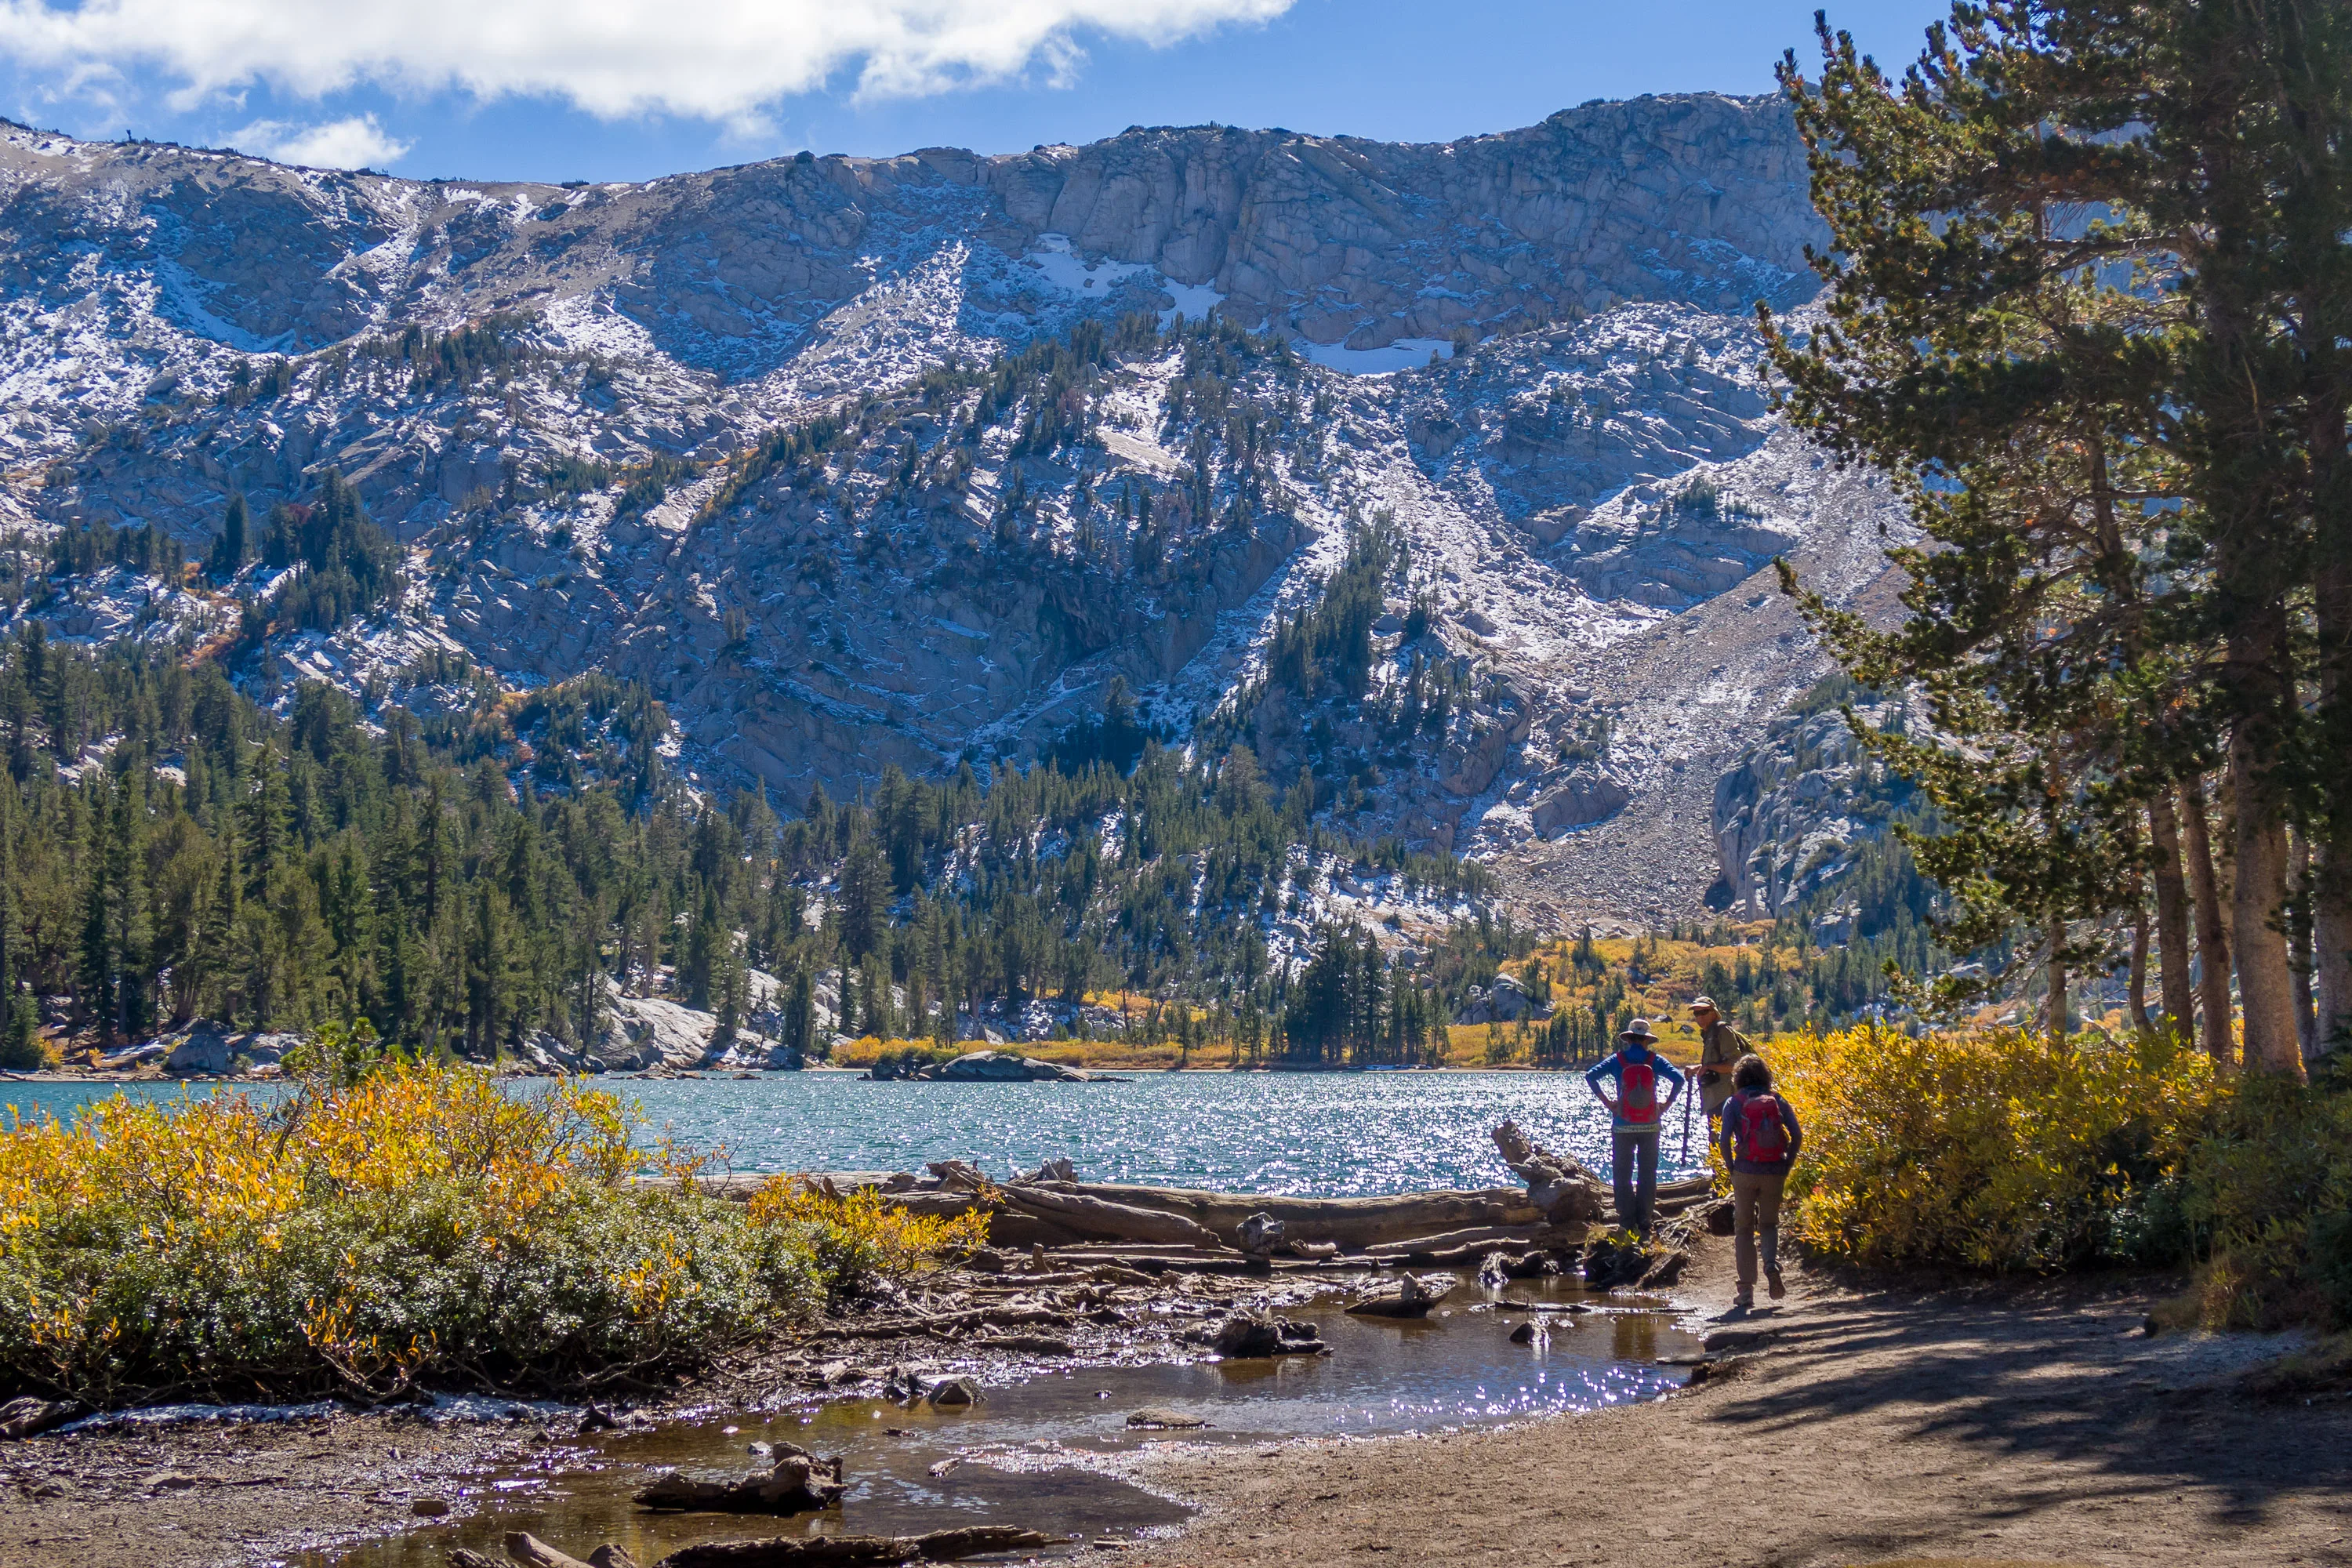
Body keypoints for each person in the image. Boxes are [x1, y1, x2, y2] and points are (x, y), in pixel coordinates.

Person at [1584, 1018, 1685, 1238]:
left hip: (1623, 1124)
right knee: (1647, 1174)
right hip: (1650, 1125)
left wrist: (1609, 1103)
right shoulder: (1654, 1060)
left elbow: (1590, 1076)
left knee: (1622, 1174)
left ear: (1628, 1039)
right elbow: (1679, 1079)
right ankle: (1645, 1221)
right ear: (1647, 1040)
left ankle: (1626, 1222)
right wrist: (1665, 1105)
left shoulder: (1618, 1059)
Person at [1718, 1052, 1802, 1309]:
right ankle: (1770, 1265)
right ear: (1766, 1076)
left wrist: (1732, 1168)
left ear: (1738, 1077)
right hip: (1774, 1170)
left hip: (1744, 1171)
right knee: (1768, 1224)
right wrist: (1786, 1164)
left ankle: (1746, 1291)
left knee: (1743, 1229)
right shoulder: (1777, 1100)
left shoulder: (1733, 1102)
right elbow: (1797, 1134)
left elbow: (1723, 1141)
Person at [1690, 996, 1751, 1123]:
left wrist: (1707, 1067)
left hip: (1726, 1097)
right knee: (1716, 1139)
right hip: (1714, 1098)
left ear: (1714, 1013)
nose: (1700, 1016)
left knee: (1721, 1140)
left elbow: (1735, 1064)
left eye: (1704, 1012)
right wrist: (1698, 1068)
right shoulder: (1710, 1034)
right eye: (1696, 1013)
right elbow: (1717, 1062)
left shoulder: (1722, 1030)